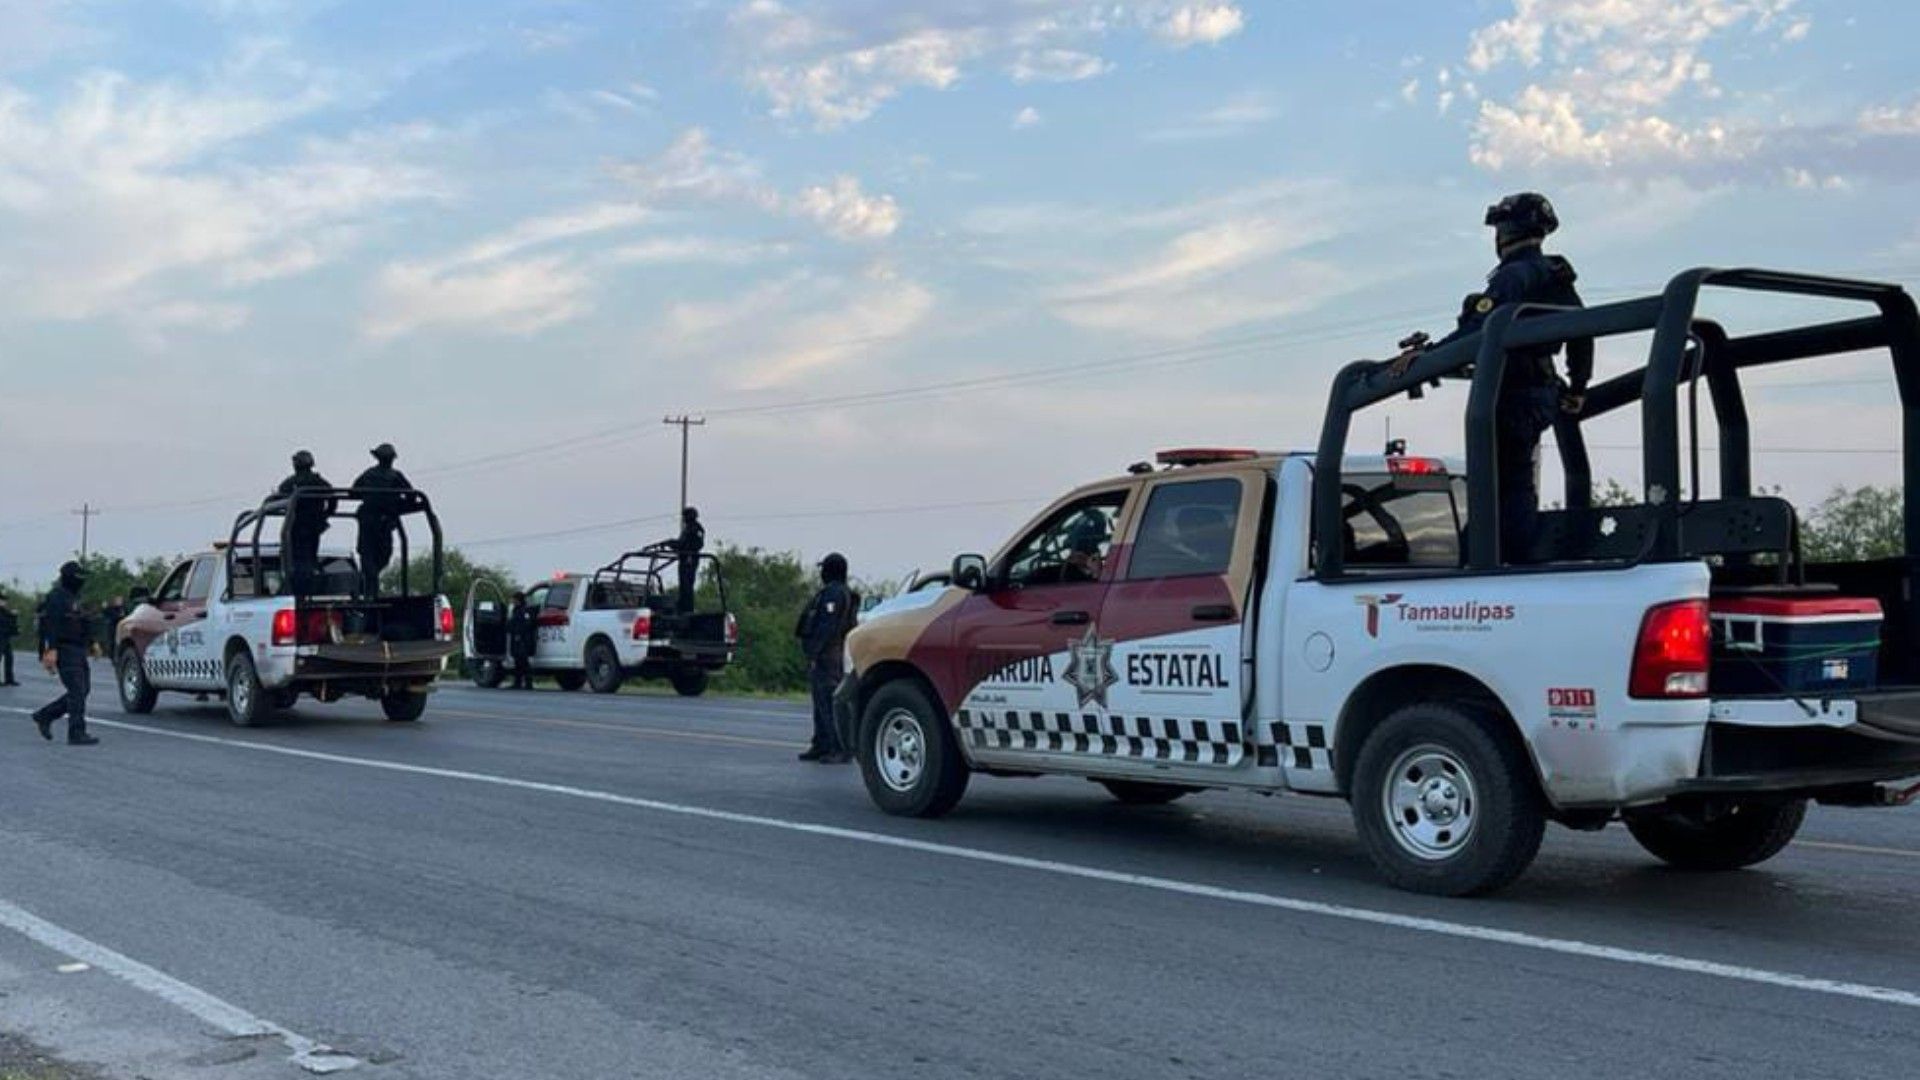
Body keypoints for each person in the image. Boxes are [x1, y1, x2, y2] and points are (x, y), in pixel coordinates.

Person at [1407, 192, 1592, 562]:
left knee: (1499, 483)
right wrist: (1578, 385)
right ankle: (1511, 552)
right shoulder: (1555, 274)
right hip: (1543, 392)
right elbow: (1582, 329)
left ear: (1506, 231)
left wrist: (1427, 358)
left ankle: (1491, 557)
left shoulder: (1513, 277)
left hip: (1512, 391)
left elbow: (1479, 331)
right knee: (1516, 478)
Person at [796, 552, 857, 763]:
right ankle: (821, 743)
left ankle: (838, 748)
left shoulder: (834, 594)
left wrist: (814, 652)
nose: (821, 572)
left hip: (829, 655)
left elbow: (826, 626)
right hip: (832, 653)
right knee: (820, 701)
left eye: (823, 568)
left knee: (829, 701)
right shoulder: (841, 592)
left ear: (829, 570)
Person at [30, 561, 99, 745]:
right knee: (77, 690)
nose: (81, 581)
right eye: (78, 578)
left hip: (78, 648)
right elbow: (50, 626)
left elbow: (83, 621)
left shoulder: (74, 597)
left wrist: (92, 643)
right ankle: (76, 732)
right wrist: (50, 650)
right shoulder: (56, 597)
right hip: (63, 648)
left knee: (83, 690)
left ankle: (45, 715)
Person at [351, 443, 413, 598]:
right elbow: (411, 496)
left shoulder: (372, 474)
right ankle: (369, 588)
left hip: (374, 522)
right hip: (381, 522)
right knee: (377, 556)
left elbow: (353, 492)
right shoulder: (394, 476)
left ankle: (369, 585)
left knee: (373, 556)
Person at [273, 450, 335, 598]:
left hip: (298, 527)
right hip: (313, 528)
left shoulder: (290, 483)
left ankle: (301, 590)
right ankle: (306, 586)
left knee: (298, 561)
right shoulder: (319, 482)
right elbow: (333, 498)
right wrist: (325, 515)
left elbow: (277, 499)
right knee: (309, 558)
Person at [671, 506, 705, 614]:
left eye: (685, 516)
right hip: (687, 558)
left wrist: (673, 544)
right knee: (685, 585)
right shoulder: (692, 528)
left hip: (689, 559)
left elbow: (686, 544)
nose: (683, 519)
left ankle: (686, 608)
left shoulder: (694, 529)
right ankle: (684, 606)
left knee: (687, 584)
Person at [506, 591, 537, 690]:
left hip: (523, 639)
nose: (512, 601)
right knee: (518, 662)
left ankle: (528, 683)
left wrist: (519, 634)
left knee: (523, 661)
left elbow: (526, 625)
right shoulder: (516, 610)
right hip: (517, 638)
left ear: (518, 600)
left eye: (514, 599)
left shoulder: (524, 611)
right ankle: (517, 682)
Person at [0, 597, 19, 686]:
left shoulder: (5, 612)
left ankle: (9, 679)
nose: (4, 603)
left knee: (9, 658)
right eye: (2, 601)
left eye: (5, 601)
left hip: (5, 636)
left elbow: (11, 622)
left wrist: (14, 616)